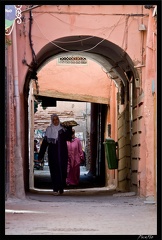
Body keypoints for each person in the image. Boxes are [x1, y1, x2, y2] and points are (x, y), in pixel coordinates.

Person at [38, 114, 72, 195]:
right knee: (54, 171)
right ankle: (55, 188)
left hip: (63, 153)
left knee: (63, 171)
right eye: (54, 120)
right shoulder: (49, 130)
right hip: (53, 154)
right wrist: (40, 156)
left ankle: (61, 188)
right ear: (52, 121)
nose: (55, 121)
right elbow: (44, 144)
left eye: (57, 119)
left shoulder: (63, 129)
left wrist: (69, 128)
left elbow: (69, 138)